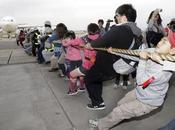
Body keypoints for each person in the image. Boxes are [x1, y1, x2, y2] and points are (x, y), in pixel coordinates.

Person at [89, 36, 175, 130]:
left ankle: (100, 126)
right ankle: (111, 119)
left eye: (165, 42)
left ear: (172, 51)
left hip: (148, 101)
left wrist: (143, 60)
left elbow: (141, 81)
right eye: (162, 39)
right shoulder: (154, 51)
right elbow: (134, 54)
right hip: (141, 91)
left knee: (119, 111)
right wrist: (116, 52)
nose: (160, 42)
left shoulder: (162, 71)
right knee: (120, 103)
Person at [84, 4, 142, 110]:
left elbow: (102, 41)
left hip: (106, 66)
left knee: (88, 78)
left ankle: (97, 103)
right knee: (96, 80)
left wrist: (90, 45)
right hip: (119, 66)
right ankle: (98, 101)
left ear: (123, 16)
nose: (116, 18)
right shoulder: (137, 31)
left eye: (117, 15)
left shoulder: (120, 29)